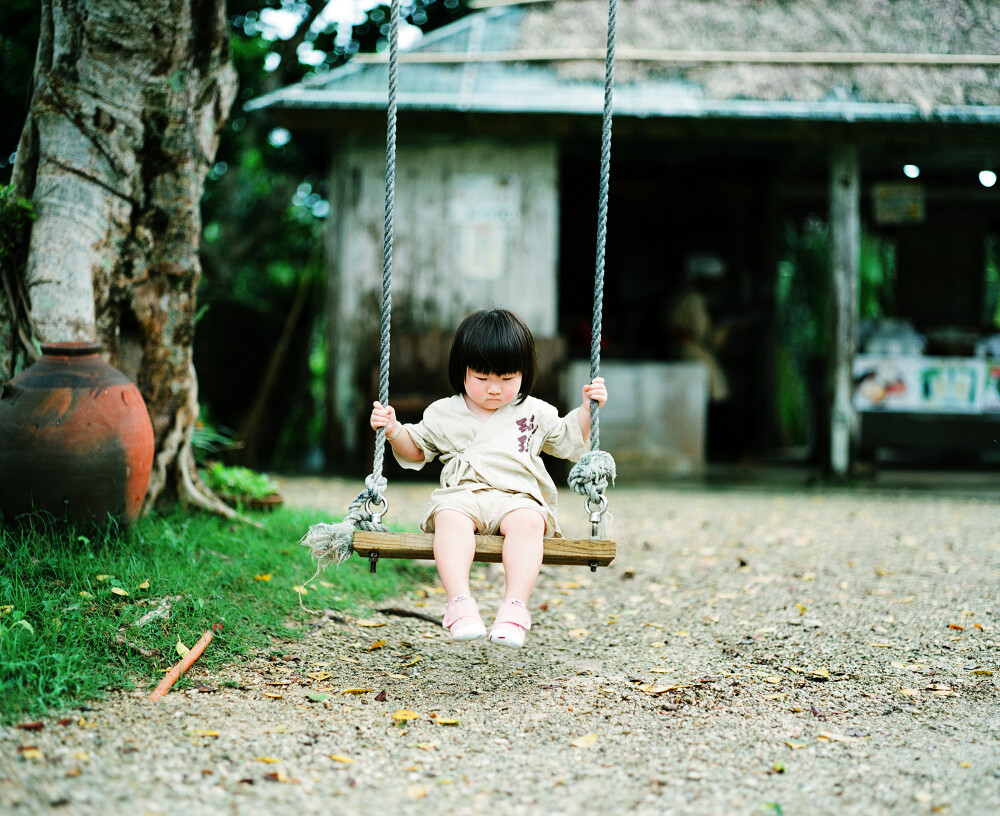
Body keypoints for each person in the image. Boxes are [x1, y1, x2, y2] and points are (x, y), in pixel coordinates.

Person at [369, 308, 608, 649]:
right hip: (464, 495)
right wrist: (393, 430)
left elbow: (569, 438)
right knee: (449, 518)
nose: (494, 389)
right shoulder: (444, 412)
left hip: (517, 495)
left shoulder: (534, 412)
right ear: (462, 372)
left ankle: (514, 609)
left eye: (507, 379)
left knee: (529, 522)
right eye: (482, 379)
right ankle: (459, 604)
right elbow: (416, 451)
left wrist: (588, 410)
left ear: (524, 373)